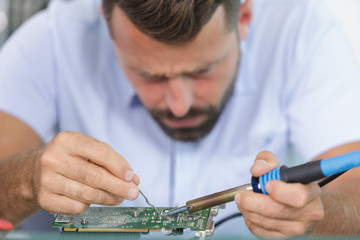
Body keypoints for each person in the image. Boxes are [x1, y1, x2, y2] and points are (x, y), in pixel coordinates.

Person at [0, 0, 360, 237]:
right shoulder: (53, 38)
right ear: (106, 25)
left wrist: (322, 210)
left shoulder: (302, 33)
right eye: (149, 75)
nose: (179, 106)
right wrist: (25, 178)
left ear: (245, 17)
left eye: (203, 70)